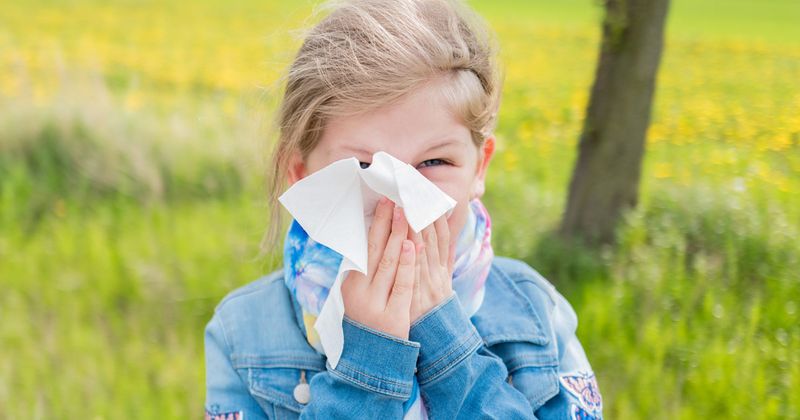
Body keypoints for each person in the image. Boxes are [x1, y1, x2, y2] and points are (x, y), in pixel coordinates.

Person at [204, 0, 602, 418]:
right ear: (303, 175)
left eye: (434, 163)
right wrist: (368, 364)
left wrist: (447, 344)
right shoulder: (243, 332)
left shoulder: (537, 314)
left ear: (479, 166)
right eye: (362, 167)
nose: (401, 202)